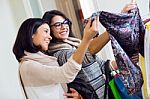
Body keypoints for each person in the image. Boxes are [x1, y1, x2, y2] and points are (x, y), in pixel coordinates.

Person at [42, 2, 138, 99]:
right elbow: (88, 52)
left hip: (106, 94)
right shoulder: (58, 55)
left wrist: (128, 60)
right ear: (49, 29)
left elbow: (104, 66)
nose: (64, 27)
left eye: (65, 22)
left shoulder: (76, 44)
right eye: (58, 24)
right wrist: (114, 25)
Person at [12, 17, 99, 99]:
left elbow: (53, 90)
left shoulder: (42, 60)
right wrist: (86, 39)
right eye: (46, 31)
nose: (50, 37)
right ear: (32, 34)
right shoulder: (28, 66)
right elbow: (66, 74)